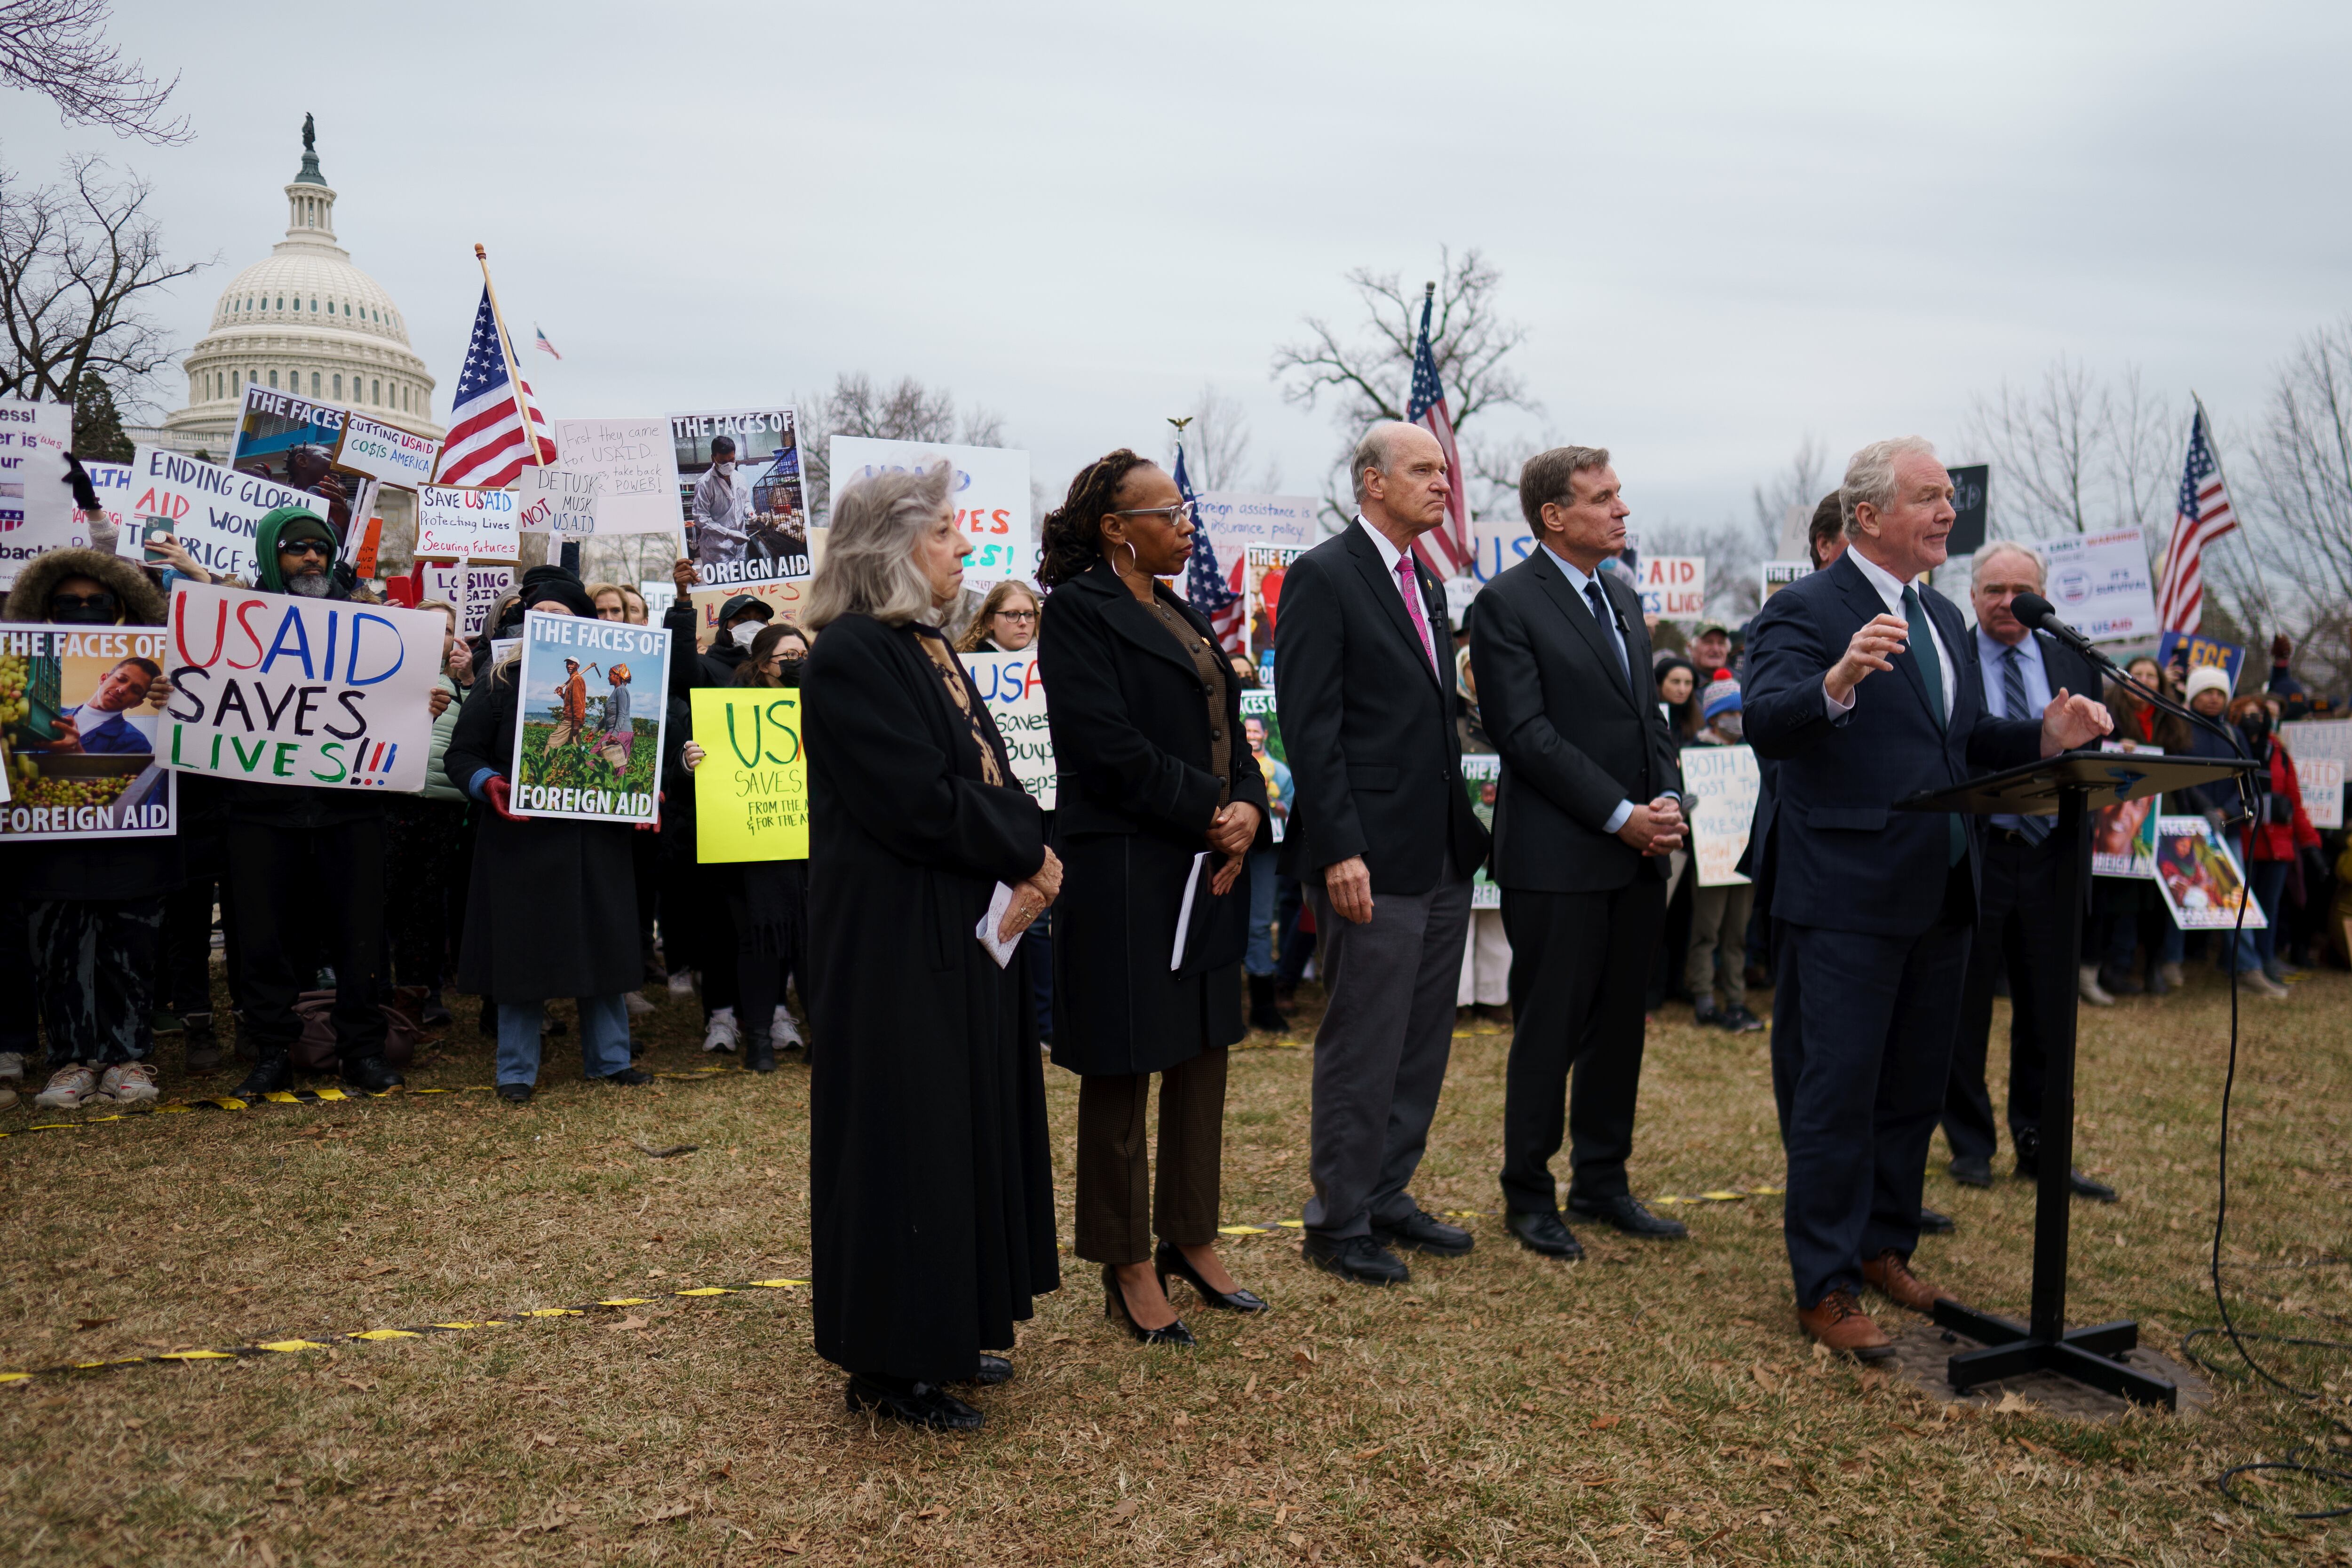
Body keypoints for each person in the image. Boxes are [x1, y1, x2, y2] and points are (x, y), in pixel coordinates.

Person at [1743, 437, 2111, 1361]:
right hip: (1843, 894)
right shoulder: (1805, 606)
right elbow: (1764, 717)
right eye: (1927, 497)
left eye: (1950, 496)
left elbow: (1959, 740)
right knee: (1836, 1089)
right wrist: (1833, 682)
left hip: (1944, 887)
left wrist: (2042, 732)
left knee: (1911, 1085)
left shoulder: (1943, 618)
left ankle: (1881, 1242)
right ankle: (1822, 1280)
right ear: (1866, 515)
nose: (1948, 511)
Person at [800, 462, 1063, 1431]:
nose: (965, 549)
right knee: (904, 1140)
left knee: (956, 1131)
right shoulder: (850, 656)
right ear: (894, 546)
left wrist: (1032, 838)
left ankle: (950, 1322)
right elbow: (919, 801)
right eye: (947, 532)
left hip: (955, 930)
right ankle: (888, 1362)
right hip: (890, 944)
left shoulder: (925, 646)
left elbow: (989, 771)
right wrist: (1028, 845)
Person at [1034, 448, 1272, 1346]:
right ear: (1116, 530)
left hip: (1205, 858)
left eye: (1185, 512)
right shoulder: (1079, 614)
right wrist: (1212, 808)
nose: (1186, 526)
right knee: (1127, 1058)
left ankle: (1191, 1234)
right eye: (1169, 513)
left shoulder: (1178, 609)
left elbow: (1229, 724)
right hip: (1128, 865)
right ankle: (1126, 1257)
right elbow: (1103, 744)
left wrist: (1249, 801)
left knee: (1203, 1048)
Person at [1277, 421, 1491, 1287]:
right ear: (1372, 482)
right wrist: (1338, 848)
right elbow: (1312, 725)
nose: (1443, 483)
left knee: (1420, 1040)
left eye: (1444, 470)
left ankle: (1388, 1192)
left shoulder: (1427, 579)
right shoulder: (1324, 575)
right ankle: (1338, 1218)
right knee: (1364, 1038)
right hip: (1367, 855)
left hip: (1439, 850)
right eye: (1424, 469)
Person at [1470, 446, 1688, 1260]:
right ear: (1555, 515)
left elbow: (1648, 721)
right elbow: (1525, 733)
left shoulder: (1625, 597)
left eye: (1620, 494)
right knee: (1551, 1028)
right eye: (1603, 498)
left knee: (1619, 1028)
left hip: (1635, 856)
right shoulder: (1506, 604)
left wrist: (1665, 798)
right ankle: (1529, 1193)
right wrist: (1619, 812)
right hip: (1558, 858)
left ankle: (1603, 1180)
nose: (1621, 510)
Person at [222, 507, 426, 1100]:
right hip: (261, 809)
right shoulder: (236, 625)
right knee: (264, 939)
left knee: (359, 935)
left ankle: (361, 1051)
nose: (312, 557)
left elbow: (390, 703)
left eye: (321, 547)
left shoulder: (370, 621)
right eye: (296, 547)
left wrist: (418, 711)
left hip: (349, 808)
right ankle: (270, 1053)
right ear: (271, 554)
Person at [1938, 543, 2119, 1201]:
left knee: (2048, 1009)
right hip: (1977, 851)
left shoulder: (2073, 657)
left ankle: (2042, 1145)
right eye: (1992, 588)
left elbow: (2092, 747)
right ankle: (1971, 1144)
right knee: (1965, 1005)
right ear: (1973, 593)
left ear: (2042, 594)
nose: (2006, 600)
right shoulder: (1948, 654)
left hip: (2053, 853)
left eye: (2020, 588)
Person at [444, 563, 655, 1104]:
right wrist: (487, 782)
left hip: (596, 842)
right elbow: (461, 754)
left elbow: (633, 751)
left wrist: (642, 790)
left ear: (584, 625)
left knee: (602, 946)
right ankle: (515, 1070)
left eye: (558, 616)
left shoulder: (622, 679)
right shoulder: (498, 677)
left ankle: (610, 1061)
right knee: (521, 953)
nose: (546, 623)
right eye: (537, 616)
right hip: (521, 843)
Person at [6, 548, 180, 1111]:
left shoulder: (141, 727)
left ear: (121, 609)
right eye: (69, 603)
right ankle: (69, 1062)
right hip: (46, 854)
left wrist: (177, 706)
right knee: (58, 958)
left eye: (98, 602)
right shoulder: (32, 702)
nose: (84, 609)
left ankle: (128, 1058)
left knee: (129, 954)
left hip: (131, 851)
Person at [384, 601, 471, 1029]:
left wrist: (467, 683)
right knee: (382, 900)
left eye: (447, 628)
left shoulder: (464, 686)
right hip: (390, 803)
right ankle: (374, 993)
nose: (438, 634)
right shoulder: (382, 674)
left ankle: (419, 996)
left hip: (441, 807)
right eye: (427, 624)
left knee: (425, 905)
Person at [1685, 668, 1764, 1032]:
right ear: (1715, 718)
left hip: (1743, 857)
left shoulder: (1755, 753)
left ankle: (1735, 999)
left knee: (1737, 933)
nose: (1736, 720)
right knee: (1707, 930)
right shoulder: (1694, 754)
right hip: (1711, 859)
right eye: (1729, 714)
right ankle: (1704, 997)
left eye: (1739, 713)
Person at [2228, 692, 2319, 990]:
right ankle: (2245, 965)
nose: (2259, 718)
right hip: (2244, 839)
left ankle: (2265, 959)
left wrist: (2311, 843)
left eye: (2264, 713)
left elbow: (2296, 802)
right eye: (2251, 713)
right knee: (2243, 908)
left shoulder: (2280, 754)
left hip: (2277, 844)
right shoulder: (2233, 748)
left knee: (2269, 907)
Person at [1243, 712, 1294, 1031]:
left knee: (1259, 923)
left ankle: (1263, 1006)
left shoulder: (1283, 773)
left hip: (1266, 849)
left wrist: (1277, 806)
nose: (1253, 736)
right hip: (1227, 843)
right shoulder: (1227, 764)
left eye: (1256, 731)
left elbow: (1291, 812)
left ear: (1265, 734)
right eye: (1246, 731)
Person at [692, 436, 753, 567]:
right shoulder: (704, 484)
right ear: (713, 458)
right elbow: (700, 518)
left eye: (732, 460)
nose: (728, 465)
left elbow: (746, 503)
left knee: (742, 586)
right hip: (717, 552)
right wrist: (727, 533)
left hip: (741, 549)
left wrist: (750, 513)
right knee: (723, 587)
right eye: (723, 462)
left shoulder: (741, 479)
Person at [955, 580, 1042, 654]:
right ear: (990, 621)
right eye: (1012, 614)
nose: (1023, 622)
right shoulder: (966, 664)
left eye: (1029, 615)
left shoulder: (1051, 657)